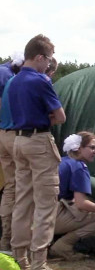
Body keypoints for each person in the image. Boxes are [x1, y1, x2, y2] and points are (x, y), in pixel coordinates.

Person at [8, 35, 66, 270]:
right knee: (45, 204)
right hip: (39, 141)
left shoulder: (14, 80)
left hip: (18, 141)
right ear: (40, 57)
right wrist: (47, 118)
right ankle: (39, 261)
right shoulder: (41, 80)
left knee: (22, 202)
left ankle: (19, 257)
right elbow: (60, 116)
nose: (49, 66)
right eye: (49, 60)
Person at [50, 132, 95, 260]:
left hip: (37, 216)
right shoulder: (79, 167)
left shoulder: (63, 161)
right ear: (79, 148)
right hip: (51, 217)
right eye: (91, 147)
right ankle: (63, 246)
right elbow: (81, 203)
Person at [0, 51, 24, 251]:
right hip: (13, 134)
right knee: (21, 187)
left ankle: (5, 241)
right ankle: (16, 243)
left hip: (2, 134)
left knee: (10, 187)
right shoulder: (8, 76)